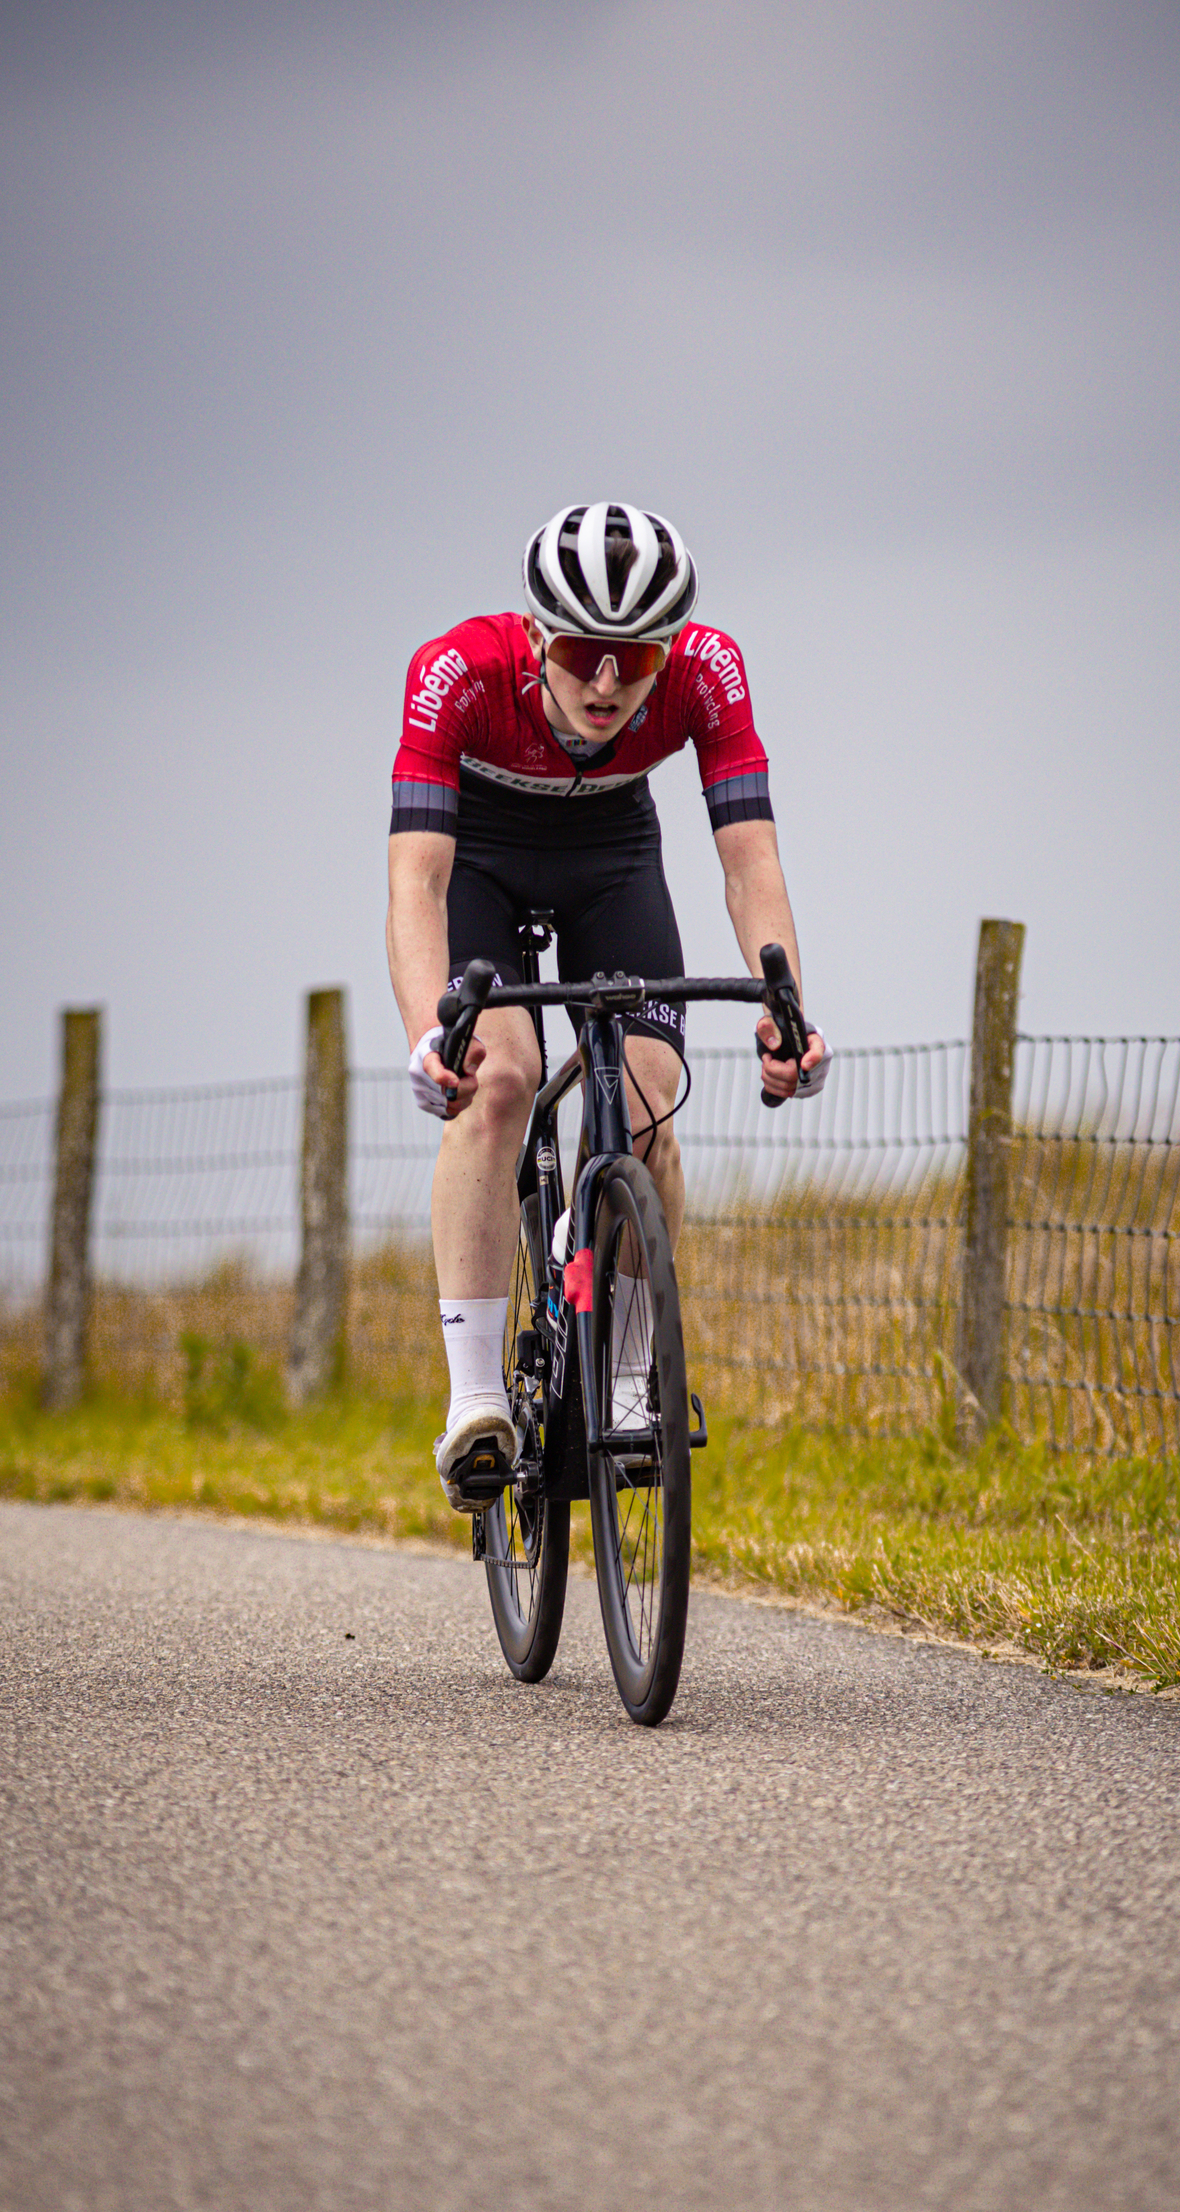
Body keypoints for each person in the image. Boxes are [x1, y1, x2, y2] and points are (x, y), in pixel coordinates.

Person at [387, 500, 829, 1506]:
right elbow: (414, 884)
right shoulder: (455, 672)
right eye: (583, 649)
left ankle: (631, 1381)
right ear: (538, 634)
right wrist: (430, 1035)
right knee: (497, 1085)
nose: (604, 681)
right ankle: (472, 1405)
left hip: (610, 860)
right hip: (480, 867)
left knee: (645, 1103)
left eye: (632, 661)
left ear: (666, 654)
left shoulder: (707, 672)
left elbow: (748, 857)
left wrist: (785, 1010)